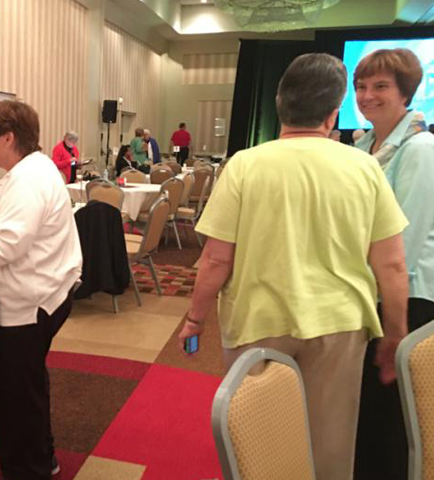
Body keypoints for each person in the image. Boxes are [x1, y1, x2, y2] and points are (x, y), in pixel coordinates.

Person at [176, 53, 409, 480]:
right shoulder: (364, 168)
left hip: (259, 320)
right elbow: (392, 265)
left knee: (260, 443)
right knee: (331, 443)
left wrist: (195, 319)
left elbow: (215, 257)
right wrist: (395, 334)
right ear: (334, 112)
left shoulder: (245, 165)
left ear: (280, 105)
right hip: (339, 323)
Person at [0, 100, 82, 480]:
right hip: (38, 294)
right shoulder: (26, 171)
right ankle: (42, 457)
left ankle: (29, 468)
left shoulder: (30, 179)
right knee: (26, 383)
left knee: (14, 392)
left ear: (8, 137)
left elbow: (8, 246)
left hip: (31, 302)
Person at [352, 48, 434, 480]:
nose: (367, 95)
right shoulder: (364, 145)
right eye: (362, 86)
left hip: (409, 296)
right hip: (375, 289)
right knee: (369, 408)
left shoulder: (419, 148)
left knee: (393, 415)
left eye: (381, 86)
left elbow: (406, 239)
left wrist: (393, 323)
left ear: (406, 93)